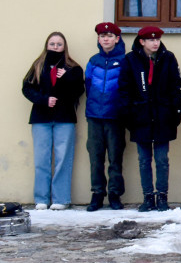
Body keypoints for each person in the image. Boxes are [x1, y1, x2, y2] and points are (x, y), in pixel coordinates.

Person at [119, 26, 181, 212]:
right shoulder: (130, 60)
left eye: (157, 39)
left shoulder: (168, 58)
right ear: (142, 42)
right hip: (140, 117)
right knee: (144, 159)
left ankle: (162, 196)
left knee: (162, 159)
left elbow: (175, 86)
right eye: (151, 40)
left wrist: (175, 111)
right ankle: (148, 197)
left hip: (163, 116)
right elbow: (124, 89)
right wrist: (129, 114)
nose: (155, 43)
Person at [22, 31, 84, 210]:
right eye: (52, 44)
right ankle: (41, 198)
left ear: (65, 47)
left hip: (64, 118)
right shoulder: (38, 65)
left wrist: (65, 79)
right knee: (42, 159)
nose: (55, 47)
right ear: (46, 46)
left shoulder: (73, 68)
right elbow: (27, 88)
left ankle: (61, 199)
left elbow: (79, 91)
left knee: (63, 159)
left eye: (59, 44)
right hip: (41, 118)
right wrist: (43, 100)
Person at [83, 22, 127, 212]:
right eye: (102, 36)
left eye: (110, 36)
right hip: (94, 115)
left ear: (117, 39)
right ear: (99, 39)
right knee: (96, 157)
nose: (106, 39)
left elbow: (127, 88)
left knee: (115, 158)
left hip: (115, 116)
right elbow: (88, 85)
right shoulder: (93, 61)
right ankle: (97, 194)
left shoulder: (125, 60)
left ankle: (115, 194)